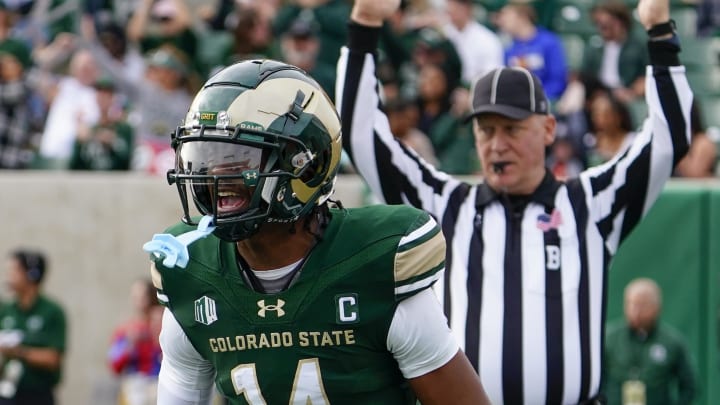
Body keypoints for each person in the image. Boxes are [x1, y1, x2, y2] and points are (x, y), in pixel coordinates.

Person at [336, 0, 692, 403]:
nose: (497, 144)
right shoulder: (445, 205)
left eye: (512, 128)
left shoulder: (589, 204)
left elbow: (667, 141)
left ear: (548, 129)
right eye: (486, 130)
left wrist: (660, 33)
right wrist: (363, 25)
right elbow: (362, 136)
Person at [142, 59, 490, 404]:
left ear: (308, 166)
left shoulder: (374, 263)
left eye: (238, 157)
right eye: (205, 156)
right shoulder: (192, 274)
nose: (216, 176)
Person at [602, 278, 697, 405]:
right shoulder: (609, 338)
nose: (635, 311)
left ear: (656, 307)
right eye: (630, 304)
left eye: (641, 305)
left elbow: (689, 385)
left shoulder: (671, 341)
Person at [0, 249, 67, 405]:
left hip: (38, 395)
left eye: (14, 271)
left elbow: (53, 358)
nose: (8, 276)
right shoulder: (6, 310)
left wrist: (18, 352)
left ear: (31, 274)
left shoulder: (52, 312)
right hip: (8, 392)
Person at [107, 279, 162, 405]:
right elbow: (115, 364)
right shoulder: (126, 330)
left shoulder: (163, 324)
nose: (139, 300)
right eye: (135, 296)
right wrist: (129, 344)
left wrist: (157, 332)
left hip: (160, 382)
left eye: (143, 296)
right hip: (135, 385)